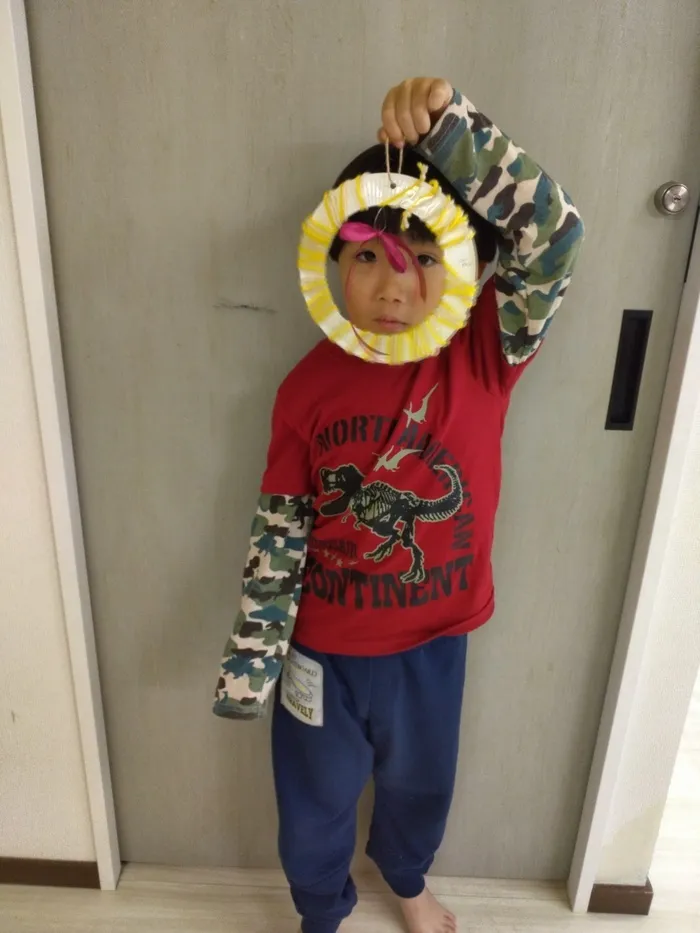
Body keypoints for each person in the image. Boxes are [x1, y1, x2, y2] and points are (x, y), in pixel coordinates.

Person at [213, 77, 584, 933]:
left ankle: (406, 877)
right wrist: (253, 656)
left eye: (422, 256)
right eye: (369, 255)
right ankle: (321, 911)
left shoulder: (486, 351)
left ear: (463, 267)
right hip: (322, 648)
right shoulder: (304, 388)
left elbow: (556, 234)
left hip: (433, 643)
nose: (392, 286)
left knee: (422, 786)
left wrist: (454, 129)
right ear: (333, 260)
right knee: (312, 805)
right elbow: (281, 528)